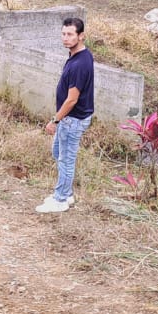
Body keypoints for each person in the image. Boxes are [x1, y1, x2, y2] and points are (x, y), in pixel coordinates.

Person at [37, 17, 94, 214]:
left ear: (81, 36)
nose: (65, 38)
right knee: (58, 153)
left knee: (66, 160)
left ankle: (60, 199)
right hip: (69, 119)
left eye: (70, 34)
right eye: (63, 34)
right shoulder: (78, 55)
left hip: (72, 119)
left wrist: (55, 120)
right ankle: (66, 193)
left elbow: (71, 100)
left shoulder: (79, 64)